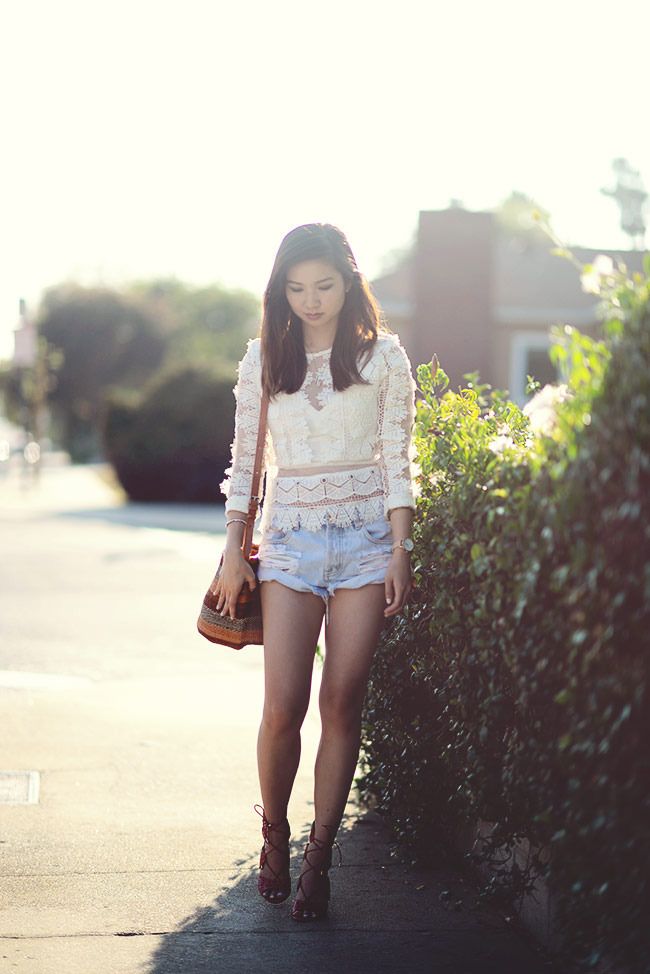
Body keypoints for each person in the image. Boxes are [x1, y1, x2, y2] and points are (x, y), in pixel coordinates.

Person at [213, 222, 417, 922]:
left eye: (324, 286)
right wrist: (233, 547)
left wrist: (400, 548)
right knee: (283, 708)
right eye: (296, 288)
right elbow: (246, 461)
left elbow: (398, 457)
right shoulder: (266, 357)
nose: (310, 300)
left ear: (349, 283)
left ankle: (321, 858)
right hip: (291, 544)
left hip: (366, 545)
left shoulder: (384, 357)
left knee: (342, 702)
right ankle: (276, 837)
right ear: (281, 290)